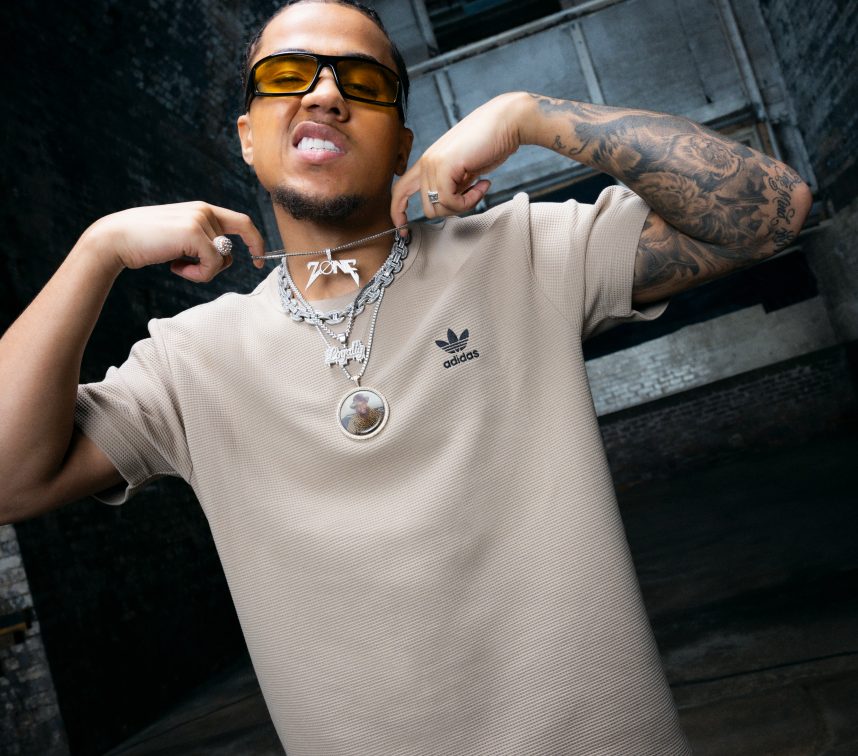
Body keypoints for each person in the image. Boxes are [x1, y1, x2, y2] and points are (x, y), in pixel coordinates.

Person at [0, 0, 811, 753]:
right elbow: (9, 481)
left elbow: (773, 212)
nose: (324, 94)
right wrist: (98, 251)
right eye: (288, 74)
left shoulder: (524, 252)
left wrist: (532, 116)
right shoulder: (190, 362)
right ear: (247, 135)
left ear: (401, 142)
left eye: (362, 82)